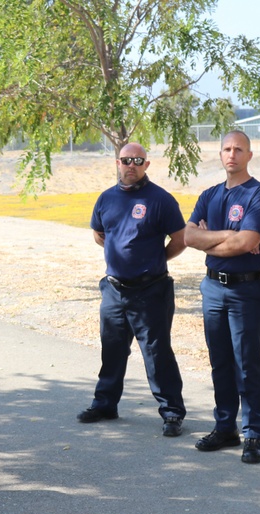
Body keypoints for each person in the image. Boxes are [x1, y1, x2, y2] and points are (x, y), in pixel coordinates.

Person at [76, 142, 187, 437]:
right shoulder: (106, 199)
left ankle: (172, 412)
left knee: (156, 352)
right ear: (117, 162)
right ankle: (105, 404)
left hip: (150, 290)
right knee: (111, 349)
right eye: (126, 160)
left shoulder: (160, 200)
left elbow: (180, 238)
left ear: (146, 165)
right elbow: (100, 234)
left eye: (138, 160)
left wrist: (155, 259)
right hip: (114, 290)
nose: (131, 165)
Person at [183, 130, 260, 464]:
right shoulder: (209, 195)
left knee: (247, 362)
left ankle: (253, 434)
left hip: (246, 290)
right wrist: (225, 236)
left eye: (239, 149)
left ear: (249, 155)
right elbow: (189, 236)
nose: (232, 154)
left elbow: (247, 241)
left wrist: (213, 239)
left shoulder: (259, 195)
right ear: (219, 154)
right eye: (226, 149)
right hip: (213, 288)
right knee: (220, 361)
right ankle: (226, 428)